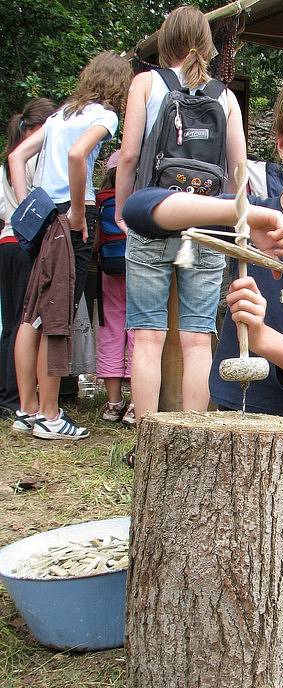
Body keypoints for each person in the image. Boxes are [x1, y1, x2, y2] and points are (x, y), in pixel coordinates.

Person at [122, 63, 283, 649]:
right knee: (233, 600)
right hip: (239, 419)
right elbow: (140, 209)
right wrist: (247, 216)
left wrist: (264, 339)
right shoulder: (253, 214)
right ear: (279, 138)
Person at [115, 5, 246, 423]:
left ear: (164, 40)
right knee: (196, 338)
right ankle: (192, 433)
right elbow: (239, 171)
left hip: (153, 221)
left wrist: (124, 210)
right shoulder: (224, 97)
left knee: (149, 336)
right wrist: (217, 212)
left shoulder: (145, 83)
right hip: (202, 231)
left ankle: (150, 436)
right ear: (207, 45)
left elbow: (130, 154)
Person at [9, 51, 131, 440]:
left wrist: (30, 203)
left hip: (45, 219)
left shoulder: (61, 114)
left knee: (32, 315)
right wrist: (78, 212)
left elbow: (16, 155)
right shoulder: (104, 115)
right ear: (118, 87)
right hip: (70, 220)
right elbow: (79, 156)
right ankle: (50, 415)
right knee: (55, 316)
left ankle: (27, 409)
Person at [0, 98, 56, 419]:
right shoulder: (34, 161)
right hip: (25, 247)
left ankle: (6, 393)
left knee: (10, 324)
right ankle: (17, 396)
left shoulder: (6, 167)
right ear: (38, 127)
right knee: (27, 321)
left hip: (5, 244)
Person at [95, 150, 135, 426]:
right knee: (138, 330)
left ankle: (112, 403)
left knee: (111, 328)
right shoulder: (139, 199)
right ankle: (135, 403)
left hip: (109, 268)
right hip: (140, 268)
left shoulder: (101, 199)